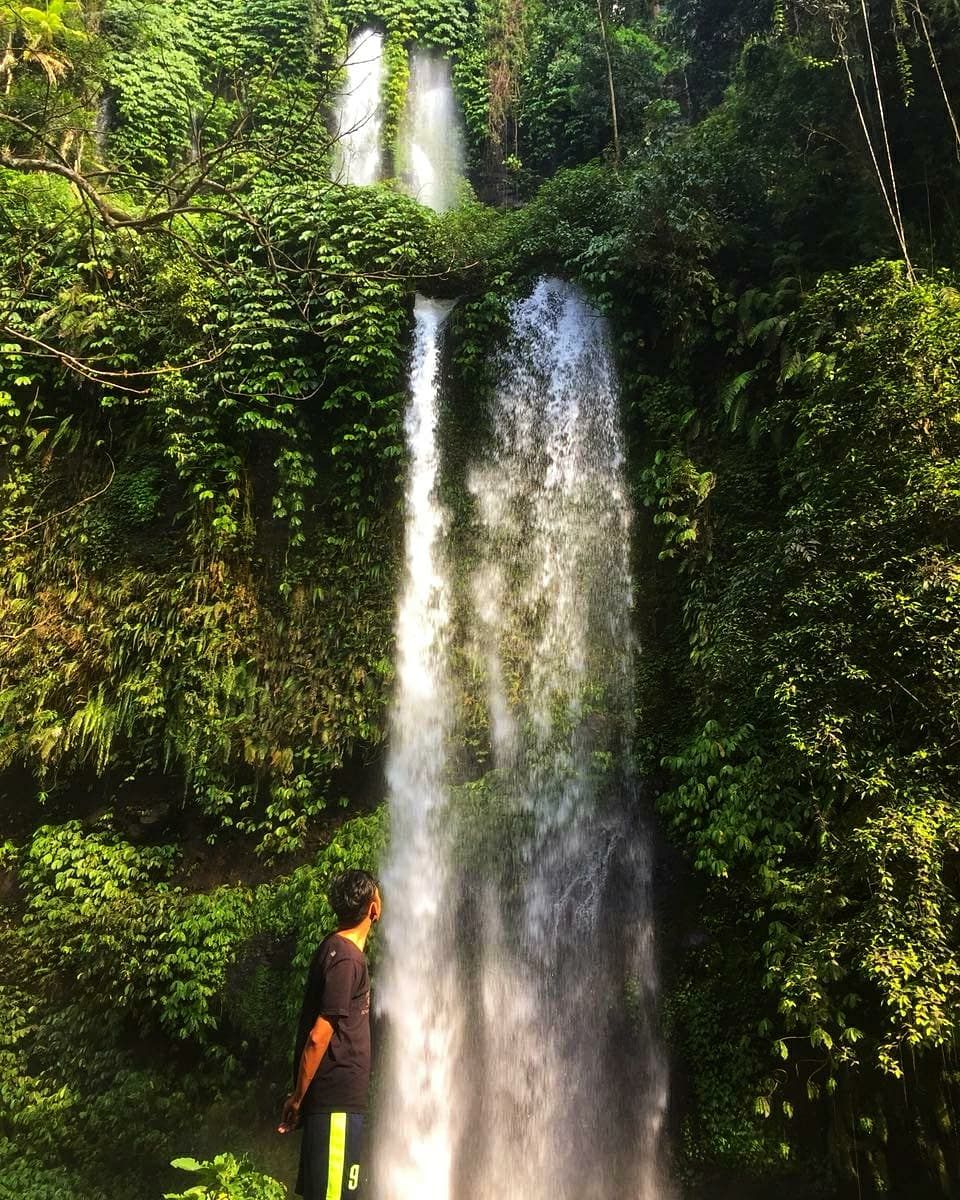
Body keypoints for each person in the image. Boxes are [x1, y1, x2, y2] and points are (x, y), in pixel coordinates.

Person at [278, 869, 381, 1199]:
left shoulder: (332, 949)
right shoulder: (347, 960)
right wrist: (297, 1097)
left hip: (334, 1104)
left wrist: (300, 1096)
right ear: (373, 908)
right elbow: (318, 1036)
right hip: (337, 1104)